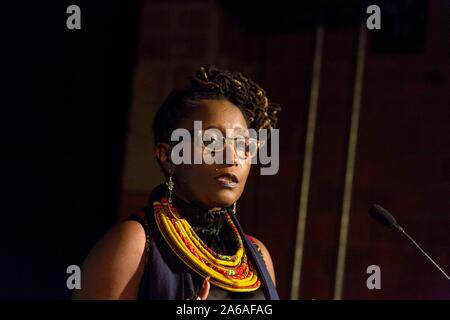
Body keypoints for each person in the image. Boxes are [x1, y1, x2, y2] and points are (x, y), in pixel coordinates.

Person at [73, 65, 281, 300]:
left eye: (244, 145)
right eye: (212, 141)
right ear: (168, 155)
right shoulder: (135, 242)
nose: (232, 157)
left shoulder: (257, 255)